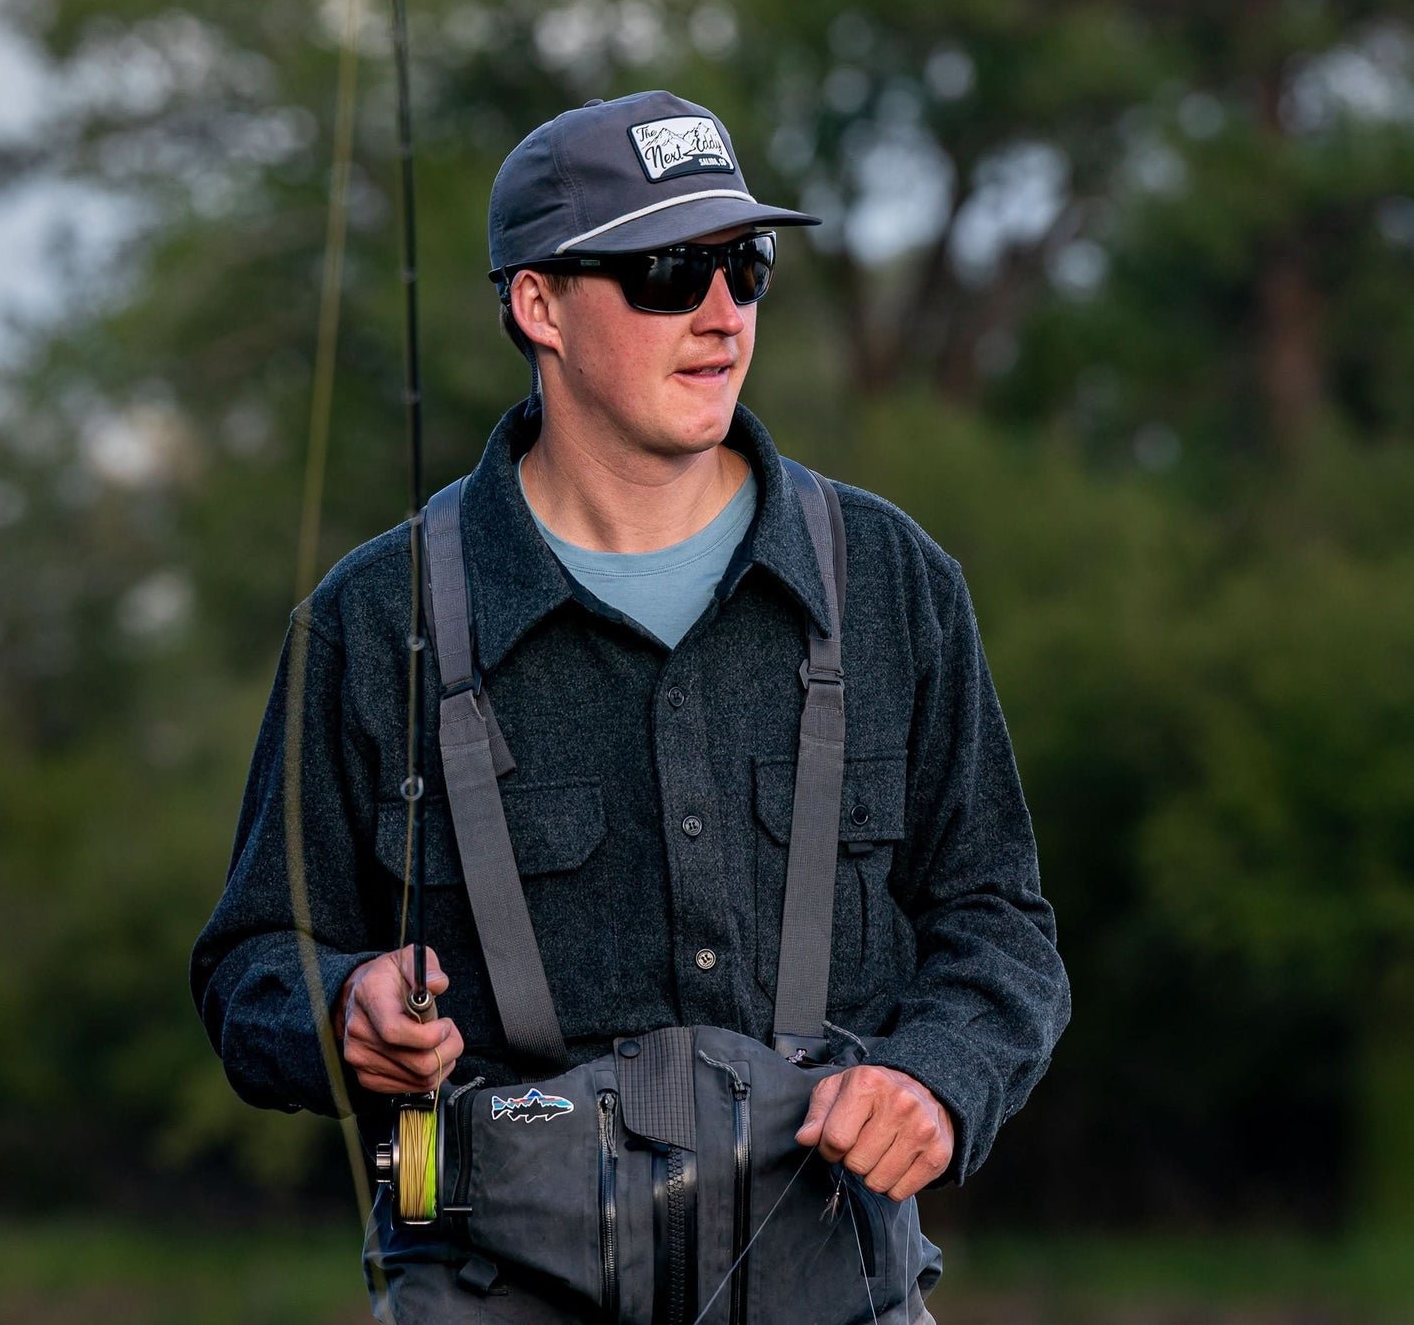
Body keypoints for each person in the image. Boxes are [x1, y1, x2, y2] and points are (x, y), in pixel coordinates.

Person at [191, 89, 1070, 1323]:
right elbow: (248, 966)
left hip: (839, 1289)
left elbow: (1001, 925)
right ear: (538, 305)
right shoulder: (370, 619)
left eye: (744, 266)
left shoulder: (891, 580)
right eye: (666, 272)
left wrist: (936, 1079)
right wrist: (343, 1009)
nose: (721, 312)